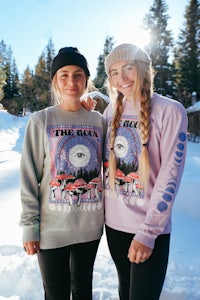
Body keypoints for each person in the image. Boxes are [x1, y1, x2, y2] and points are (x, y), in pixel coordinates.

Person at [82, 43, 188, 299]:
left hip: (148, 228)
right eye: (114, 73)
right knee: (125, 292)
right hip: (114, 227)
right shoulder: (110, 111)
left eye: (128, 68)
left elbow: (169, 176)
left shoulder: (170, 111)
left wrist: (148, 232)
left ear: (142, 69)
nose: (122, 78)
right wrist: (83, 112)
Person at [19, 46, 106, 300]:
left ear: (87, 80)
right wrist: (29, 227)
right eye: (64, 74)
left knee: (83, 292)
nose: (72, 81)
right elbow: (28, 177)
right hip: (52, 230)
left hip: (90, 228)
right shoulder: (41, 120)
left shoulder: (98, 121)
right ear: (55, 81)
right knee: (56, 294)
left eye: (78, 74)